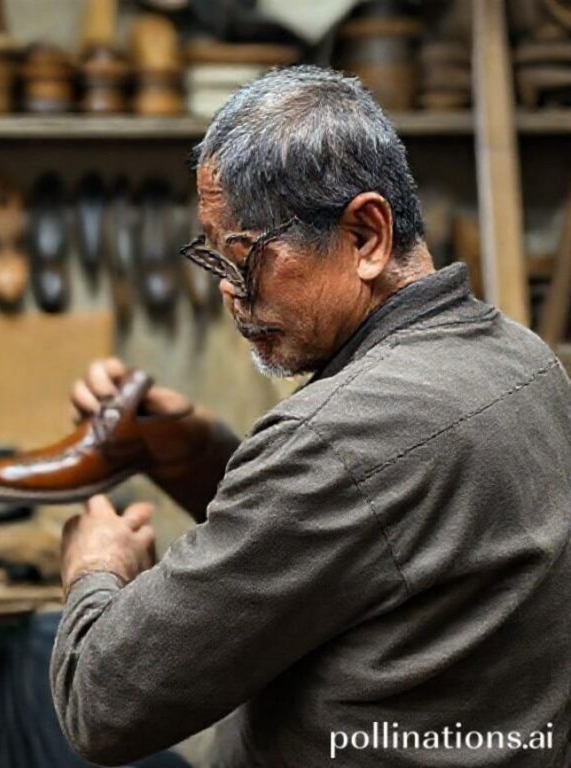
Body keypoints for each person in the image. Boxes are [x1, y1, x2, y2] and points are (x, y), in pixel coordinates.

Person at [50, 66, 571, 767]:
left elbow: (101, 707)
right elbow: (366, 539)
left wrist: (94, 571)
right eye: (216, 261)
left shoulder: (336, 438)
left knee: (24, 678)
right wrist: (195, 449)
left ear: (364, 236)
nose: (232, 297)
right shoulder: (523, 358)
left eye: (246, 259)